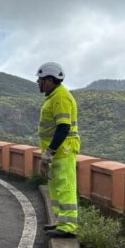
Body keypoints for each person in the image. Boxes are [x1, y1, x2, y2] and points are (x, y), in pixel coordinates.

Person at [36, 62, 81, 237]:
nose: (39, 83)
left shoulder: (61, 97)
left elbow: (63, 127)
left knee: (65, 187)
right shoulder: (54, 96)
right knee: (56, 188)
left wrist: (49, 152)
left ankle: (68, 227)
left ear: (50, 80)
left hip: (63, 151)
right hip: (58, 152)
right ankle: (61, 222)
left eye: (40, 80)